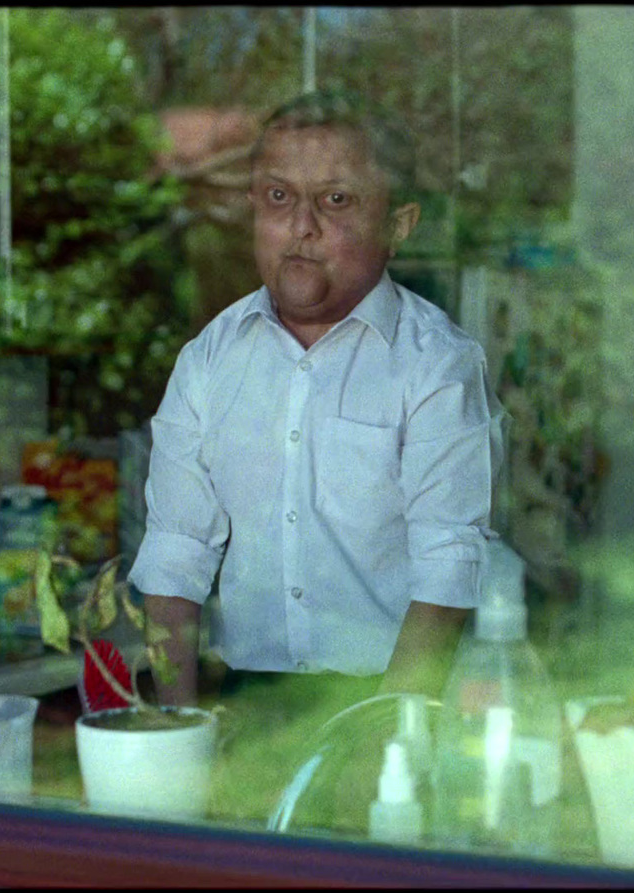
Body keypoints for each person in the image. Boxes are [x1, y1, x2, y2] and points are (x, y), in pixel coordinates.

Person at [128, 90, 504, 709]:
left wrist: (387, 742)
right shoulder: (209, 360)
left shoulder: (436, 364)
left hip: (389, 697)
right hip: (247, 700)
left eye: (336, 200)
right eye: (279, 198)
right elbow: (176, 553)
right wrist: (180, 725)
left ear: (398, 225)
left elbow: (448, 565)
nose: (302, 226)